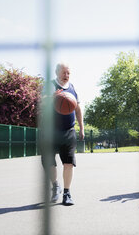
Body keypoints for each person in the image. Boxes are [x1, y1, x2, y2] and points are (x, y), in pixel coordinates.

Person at [41, 63, 85, 205]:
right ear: (56, 72)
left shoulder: (72, 88)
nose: (66, 76)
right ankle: (55, 186)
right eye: (63, 73)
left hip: (68, 131)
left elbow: (78, 110)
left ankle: (67, 193)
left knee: (68, 163)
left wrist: (82, 128)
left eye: (68, 73)